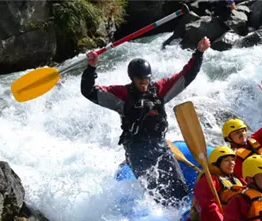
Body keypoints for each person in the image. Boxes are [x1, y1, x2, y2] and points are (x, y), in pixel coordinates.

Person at [81, 36, 211, 206]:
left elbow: (185, 76)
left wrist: (199, 53)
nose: (144, 83)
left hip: (159, 145)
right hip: (137, 149)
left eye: (146, 79)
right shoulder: (121, 95)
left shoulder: (160, 90)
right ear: (132, 79)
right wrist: (91, 67)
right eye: (139, 80)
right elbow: (89, 91)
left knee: (179, 190)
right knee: (156, 195)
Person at [221, 81, 262, 188]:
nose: (242, 134)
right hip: (261, 193)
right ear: (229, 138)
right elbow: (242, 182)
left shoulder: (255, 140)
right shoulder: (233, 159)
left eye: (243, 131)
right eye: (237, 133)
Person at [181, 146, 244, 221]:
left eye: (233, 160)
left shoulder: (235, 180)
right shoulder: (208, 180)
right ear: (217, 164)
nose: (232, 163)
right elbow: (208, 208)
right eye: (226, 160)